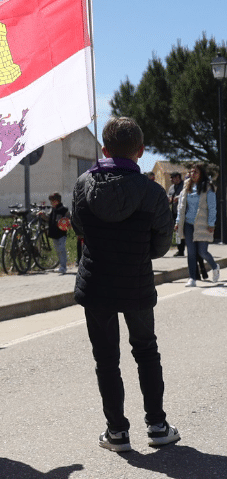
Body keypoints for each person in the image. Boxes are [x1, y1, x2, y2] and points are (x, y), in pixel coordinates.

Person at [72, 116, 179, 452]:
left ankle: (116, 432)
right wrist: (137, 252)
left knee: (106, 358)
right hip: (136, 280)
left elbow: (79, 228)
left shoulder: (82, 185)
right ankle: (158, 426)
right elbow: (162, 244)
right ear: (141, 151)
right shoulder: (152, 192)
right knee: (146, 351)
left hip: (97, 282)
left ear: (104, 149)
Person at [175, 163, 219, 287]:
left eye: (195, 172)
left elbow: (212, 207)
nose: (192, 174)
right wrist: (178, 222)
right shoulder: (186, 186)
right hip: (188, 224)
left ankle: (215, 267)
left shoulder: (207, 187)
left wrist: (211, 223)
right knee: (191, 252)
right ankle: (192, 278)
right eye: (191, 172)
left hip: (203, 224)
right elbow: (181, 207)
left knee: (202, 252)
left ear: (201, 174)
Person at [47, 192, 70, 274]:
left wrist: (68, 223)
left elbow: (68, 220)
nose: (51, 203)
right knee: (57, 250)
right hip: (54, 233)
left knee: (61, 249)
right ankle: (61, 265)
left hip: (61, 233)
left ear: (58, 201)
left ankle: (64, 267)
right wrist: (42, 215)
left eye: (53, 201)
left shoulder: (64, 209)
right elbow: (48, 219)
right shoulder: (52, 210)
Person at [168, 172, 186, 256]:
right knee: (178, 233)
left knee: (185, 232)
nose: (170, 179)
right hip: (174, 212)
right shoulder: (171, 187)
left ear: (178, 177)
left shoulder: (185, 185)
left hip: (184, 213)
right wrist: (169, 199)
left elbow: (187, 195)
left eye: (172, 177)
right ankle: (180, 250)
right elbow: (169, 196)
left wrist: (179, 198)